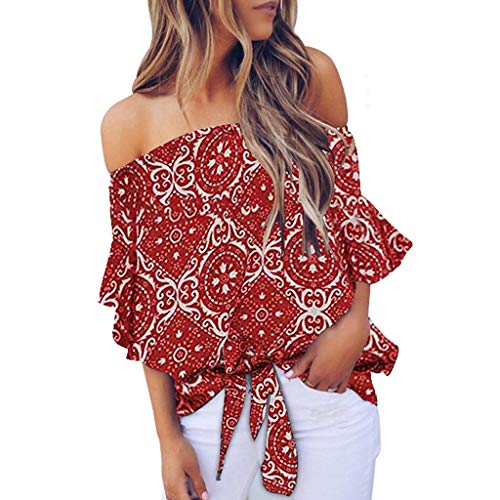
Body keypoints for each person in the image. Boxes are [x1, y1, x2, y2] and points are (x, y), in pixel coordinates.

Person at [98, 1, 413, 499]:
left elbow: (348, 217)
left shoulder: (306, 78)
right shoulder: (129, 124)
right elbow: (151, 303)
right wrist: (167, 439)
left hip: (325, 393)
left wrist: (355, 324)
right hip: (208, 413)